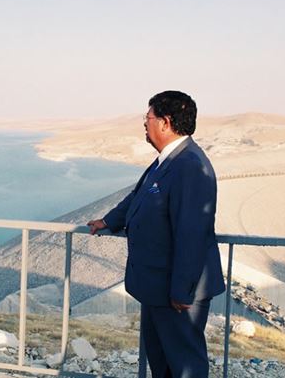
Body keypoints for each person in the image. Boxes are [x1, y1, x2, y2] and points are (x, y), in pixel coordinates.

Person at [88, 90, 225, 378]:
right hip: (157, 288)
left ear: (165, 122)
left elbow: (192, 232)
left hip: (177, 293)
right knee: (162, 362)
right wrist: (108, 221)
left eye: (148, 117)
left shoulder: (190, 166)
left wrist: (182, 290)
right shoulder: (169, 160)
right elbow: (140, 196)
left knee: (185, 365)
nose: (144, 123)